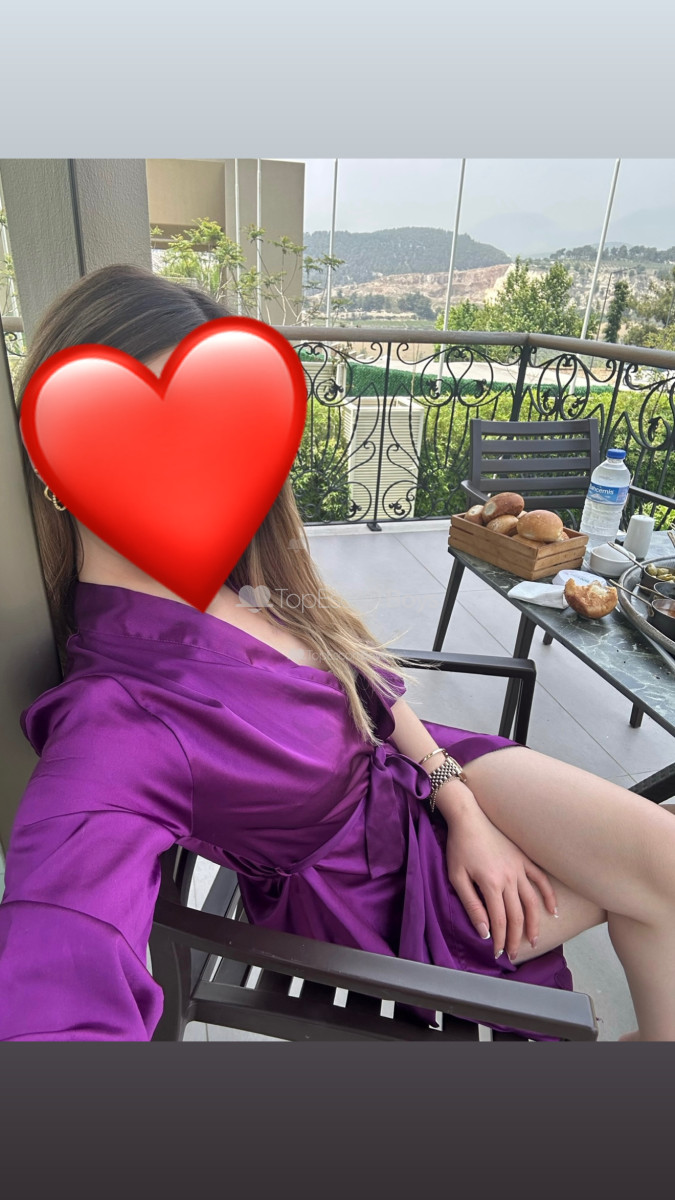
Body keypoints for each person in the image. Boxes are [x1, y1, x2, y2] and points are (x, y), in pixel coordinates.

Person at [1, 264, 674, 1043]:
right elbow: (58, 966)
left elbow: (361, 679)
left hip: (426, 774)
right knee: (658, 881)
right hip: (380, 889)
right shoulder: (120, 716)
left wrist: (459, 803)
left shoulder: (240, 577)